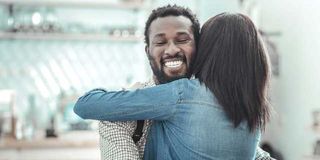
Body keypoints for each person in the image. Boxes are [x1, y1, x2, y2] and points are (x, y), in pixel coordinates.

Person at [74, 12, 272, 160]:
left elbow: (84, 105)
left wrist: (130, 94)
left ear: (207, 51)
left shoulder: (184, 94)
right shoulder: (253, 109)